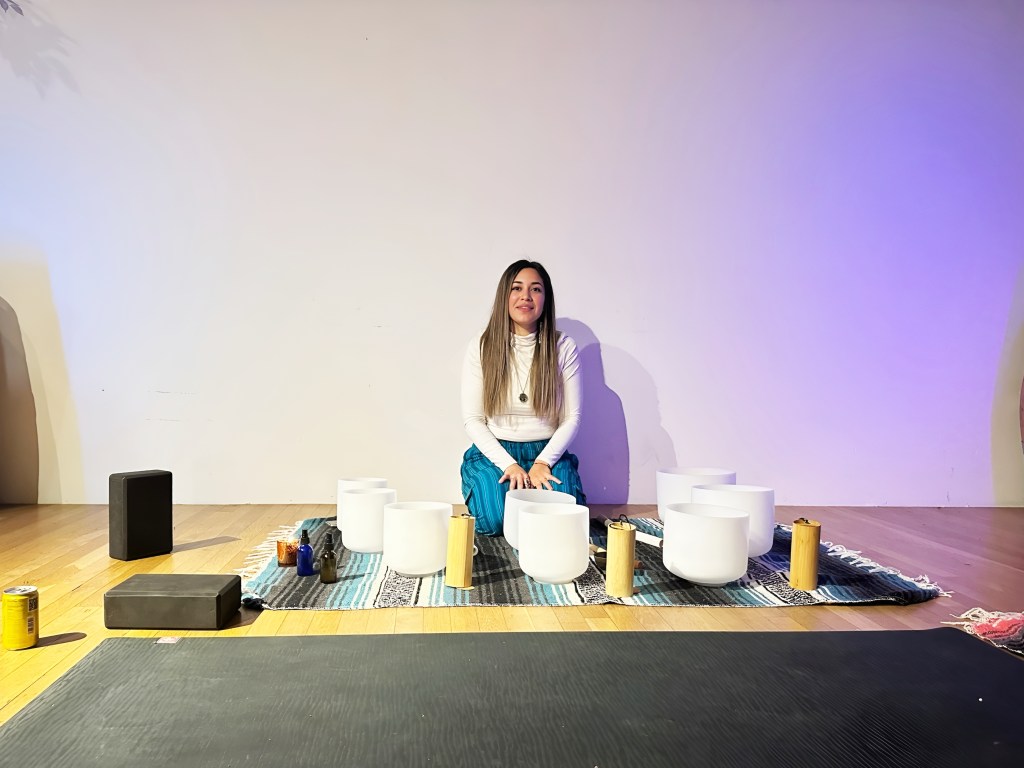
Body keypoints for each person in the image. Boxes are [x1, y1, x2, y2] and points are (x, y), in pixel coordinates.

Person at [460, 260, 585, 536]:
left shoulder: (563, 346)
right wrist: (509, 464)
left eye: (535, 289)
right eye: (517, 288)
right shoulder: (481, 345)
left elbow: (572, 418)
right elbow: (473, 419)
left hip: (548, 453)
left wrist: (543, 462)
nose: (525, 296)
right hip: (496, 452)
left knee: (563, 521)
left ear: (545, 299)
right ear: (504, 296)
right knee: (495, 521)